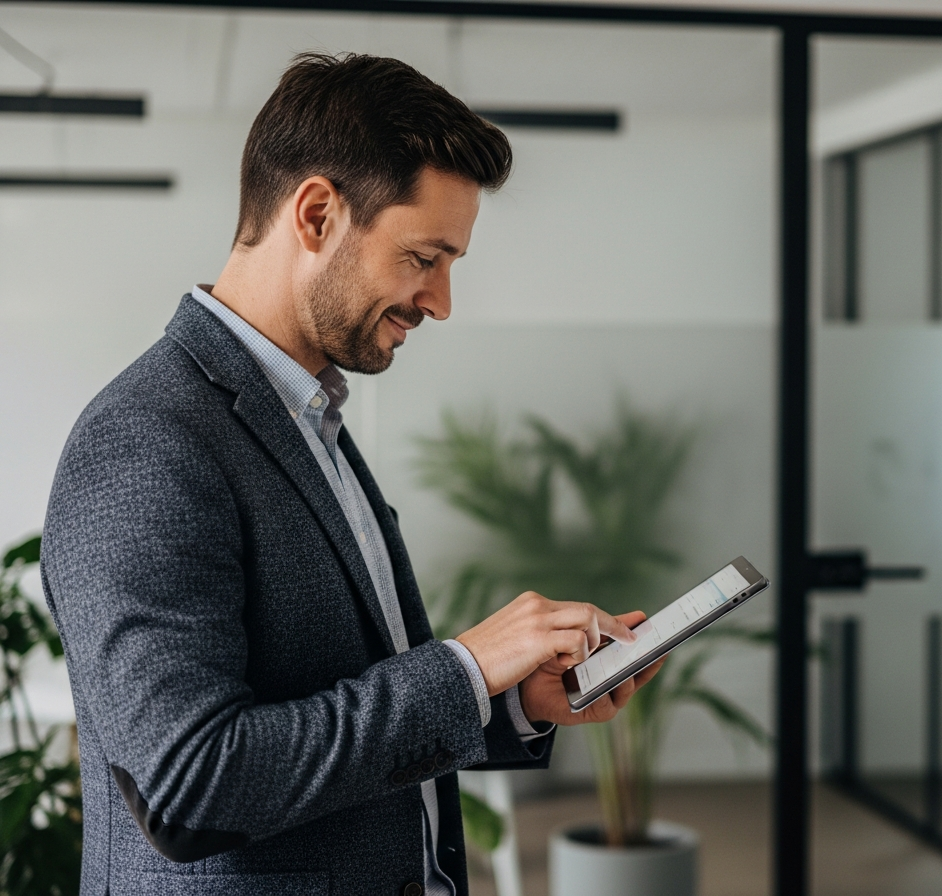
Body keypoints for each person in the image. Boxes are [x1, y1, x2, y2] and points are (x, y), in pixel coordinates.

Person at [40, 52, 661, 896]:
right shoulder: (146, 439)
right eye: (424, 257)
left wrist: (508, 700)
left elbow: (332, 706)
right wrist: (465, 669)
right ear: (318, 214)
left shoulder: (309, 416)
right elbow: (190, 784)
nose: (440, 301)